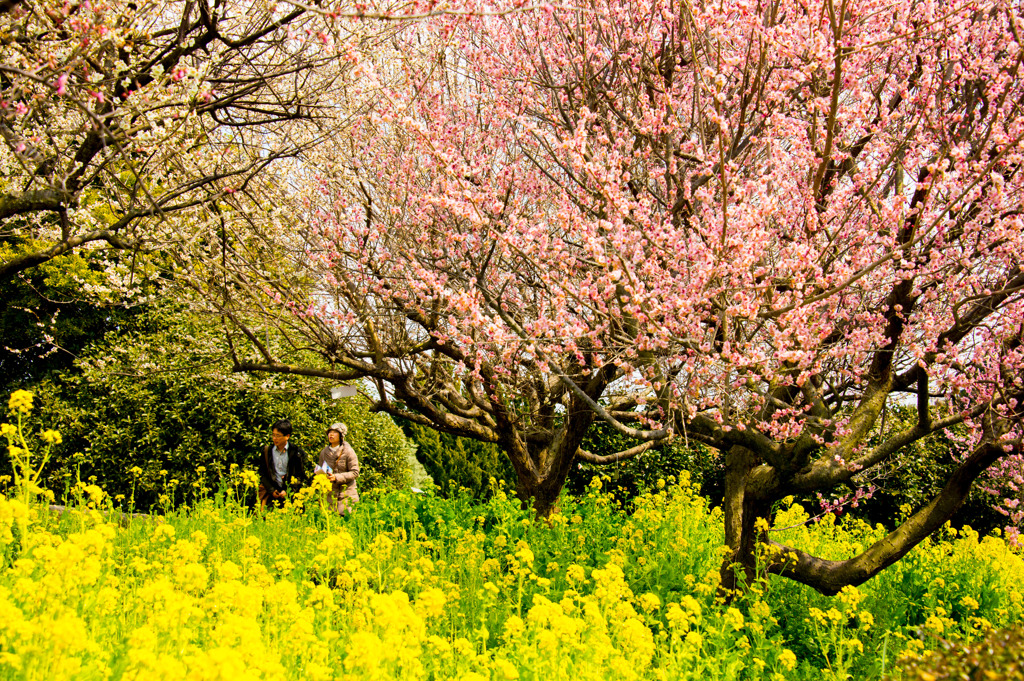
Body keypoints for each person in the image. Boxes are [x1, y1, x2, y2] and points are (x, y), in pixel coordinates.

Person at [256, 419, 308, 508]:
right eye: (273, 435)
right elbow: (262, 473)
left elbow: (300, 475)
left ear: (287, 436)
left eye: (278, 436)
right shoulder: (267, 451)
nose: (275, 438)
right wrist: (272, 490)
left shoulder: (296, 452)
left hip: (290, 494)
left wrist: (288, 490)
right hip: (271, 493)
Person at [314, 422, 359, 514]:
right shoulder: (324, 452)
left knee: (345, 521)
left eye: (335, 432)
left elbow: (355, 472)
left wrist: (336, 477)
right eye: (330, 432)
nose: (331, 434)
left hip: (346, 493)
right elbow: (322, 468)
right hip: (329, 495)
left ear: (341, 436)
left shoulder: (348, 451)